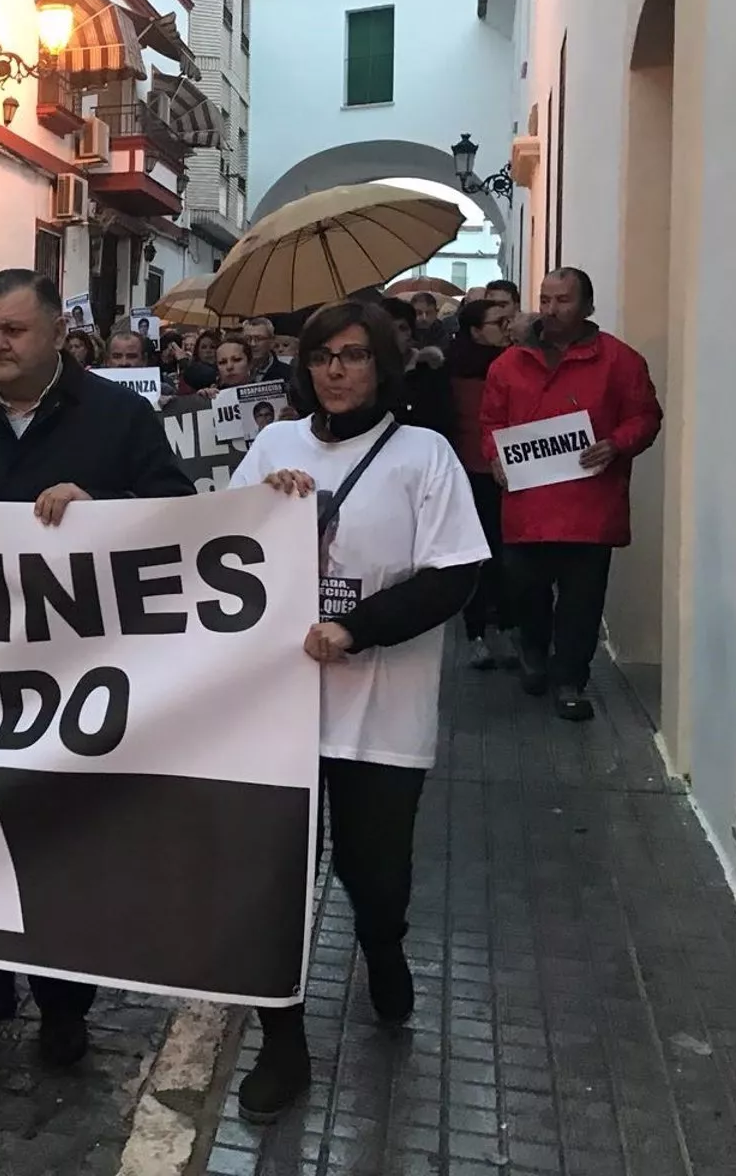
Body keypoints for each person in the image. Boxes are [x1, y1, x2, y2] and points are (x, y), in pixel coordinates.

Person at [0, 269, 196, 1072]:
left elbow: (177, 512)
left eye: (11, 332)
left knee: (63, 847)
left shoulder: (119, 416)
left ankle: (65, 1006)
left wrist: (103, 505)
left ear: (57, 330)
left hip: (77, 679)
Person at [231, 300, 488, 1124]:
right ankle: (283, 1045)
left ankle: (384, 944)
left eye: (352, 355)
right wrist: (259, 508)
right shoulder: (273, 445)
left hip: (382, 711)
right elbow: (217, 553)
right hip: (282, 712)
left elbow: (454, 577)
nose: (335, 371)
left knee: (373, 876)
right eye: (320, 357)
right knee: (275, 884)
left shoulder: (426, 455)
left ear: (382, 363)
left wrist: (356, 628)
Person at [481, 268, 662, 722]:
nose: (550, 310)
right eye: (545, 299)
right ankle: (534, 648)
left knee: (582, 602)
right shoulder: (509, 364)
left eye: (562, 300)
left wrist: (616, 444)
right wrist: (495, 459)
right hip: (528, 505)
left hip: (590, 504)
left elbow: (645, 416)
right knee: (525, 588)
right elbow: (491, 423)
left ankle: (569, 680)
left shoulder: (620, 361)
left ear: (587, 307)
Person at [448, 299, 518, 669]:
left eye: (511, 318)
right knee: (477, 555)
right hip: (470, 472)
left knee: (508, 558)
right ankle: (476, 631)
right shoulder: (451, 368)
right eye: (498, 322)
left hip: (512, 471)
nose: (508, 327)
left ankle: (507, 625)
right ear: (475, 331)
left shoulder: (518, 362)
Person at [380, 297, 455, 440]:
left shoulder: (431, 370)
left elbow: (442, 422)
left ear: (411, 332)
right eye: (388, 329)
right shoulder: (372, 374)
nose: (396, 336)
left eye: (402, 328)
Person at [243, 318, 293, 384]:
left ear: (272, 341)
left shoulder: (289, 373)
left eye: (259, 339)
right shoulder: (234, 372)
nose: (253, 344)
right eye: (248, 339)